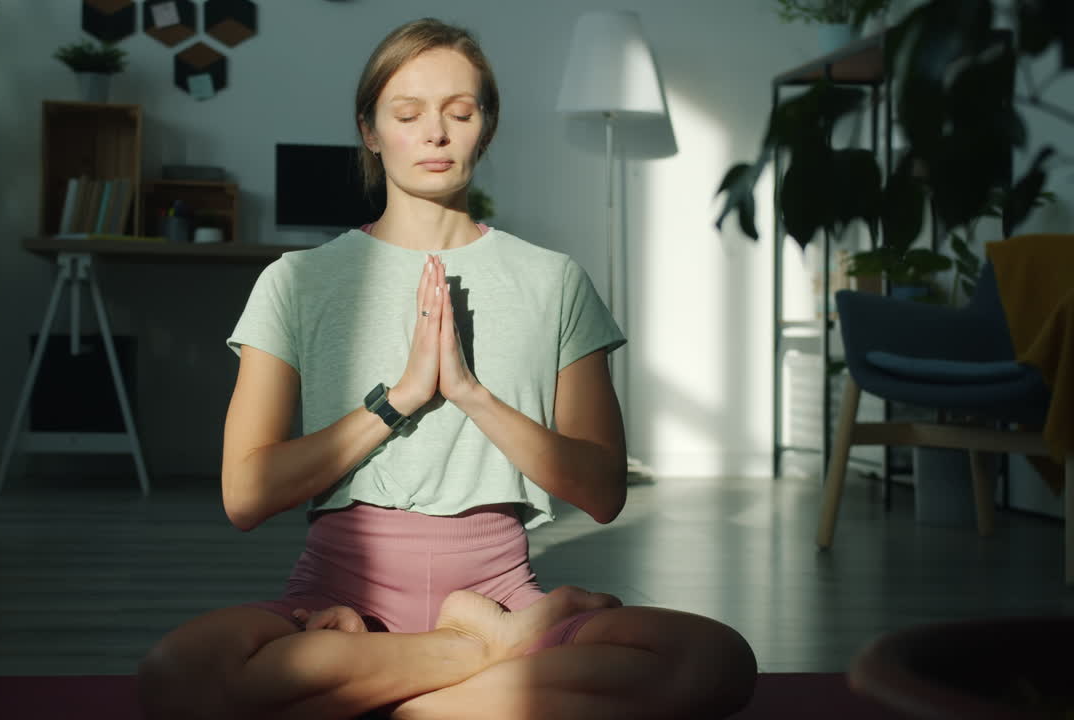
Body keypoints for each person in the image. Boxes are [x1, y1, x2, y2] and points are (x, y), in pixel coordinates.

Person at [138, 17, 756, 720]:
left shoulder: (553, 282)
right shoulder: (297, 281)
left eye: (459, 113)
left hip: (499, 586)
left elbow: (604, 491)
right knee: (177, 674)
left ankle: (401, 696)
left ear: (484, 129)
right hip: (342, 597)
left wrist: (468, 393)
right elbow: (245, 495)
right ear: (370, 130)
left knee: (713, 659)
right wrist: (396, 400)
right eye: (408, 114)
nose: (435, 133)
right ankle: (479, 659)